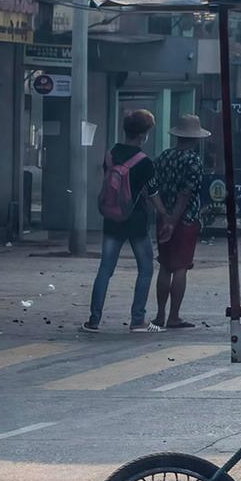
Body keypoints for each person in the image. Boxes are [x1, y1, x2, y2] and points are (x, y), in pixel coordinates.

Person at [86, 109, 167, 333]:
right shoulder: (145, 162)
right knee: (145, 268)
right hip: (136, 221)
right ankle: (138, 320)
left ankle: (93, 321)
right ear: (143, 135)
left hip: (111, 219)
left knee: (105, 269)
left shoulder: (110, 154)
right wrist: (165, 215)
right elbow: (153, 193)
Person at [152, 113, 211, 330]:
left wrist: (165, 217)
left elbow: (153, 186)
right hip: (185, 220)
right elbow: (186, 194)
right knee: (181, 267)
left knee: (165, 265)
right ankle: (174, 316)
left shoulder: (164, 156)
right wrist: (174, 220)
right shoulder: (193, 161)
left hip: (162, 215)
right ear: (196, 138)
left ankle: (159, 315)